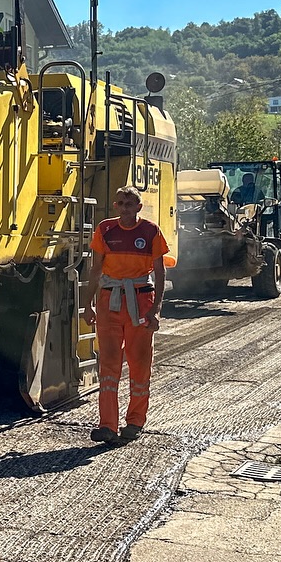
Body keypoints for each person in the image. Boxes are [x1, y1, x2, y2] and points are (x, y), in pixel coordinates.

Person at [82, 186, 169, 445]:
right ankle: (107, 425)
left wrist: (155, 310)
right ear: (115, 205)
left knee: (139, 364)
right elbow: (96, 270)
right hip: (109, 301)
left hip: (141, 301)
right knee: (108, 366)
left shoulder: (151, 231)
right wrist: (88, 304)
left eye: (130, 204)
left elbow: (160, 273)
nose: (125, 208)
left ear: (139, 207)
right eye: (120, 203)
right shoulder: (105, 230)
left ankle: (134, 422)